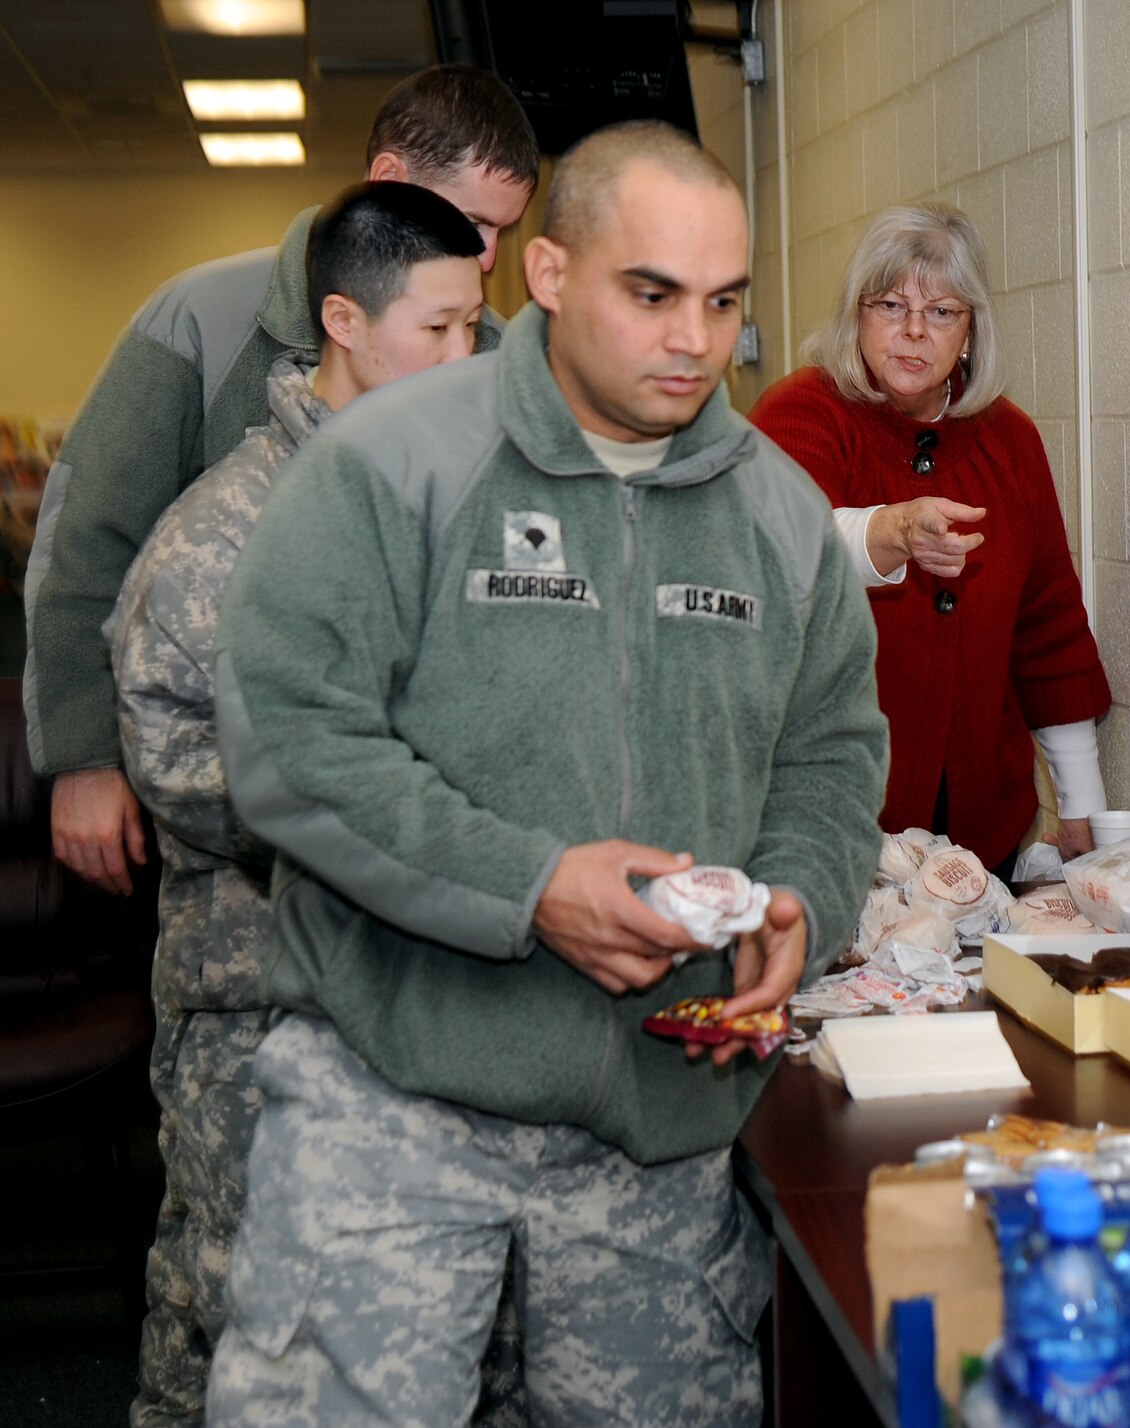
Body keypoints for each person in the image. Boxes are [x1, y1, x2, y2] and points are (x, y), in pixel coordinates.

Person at [204, 121, 887, 1427]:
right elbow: (290, 740)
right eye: (653, 294)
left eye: (724, 302)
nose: (695, 340)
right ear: (552, 274)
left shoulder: (781, 515)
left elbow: (829, 750)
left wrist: (803, 895)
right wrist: (529, 885)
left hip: (653, 1124)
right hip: (391, 1101)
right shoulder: (391, 463)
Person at [105, 183, 488, 1428]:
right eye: (434, 331)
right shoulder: (229, 533)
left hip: (420, 992)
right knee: (233, 1317)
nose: (463, 357)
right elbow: (175, 755)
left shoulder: (450, 497)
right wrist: (398, 812)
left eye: (474, 330)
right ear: (341, 321)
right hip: (257, 1000)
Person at [22, 63, 539, 898]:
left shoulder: (496, 357)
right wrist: (83, 755)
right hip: (228, 821)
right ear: (390, 182)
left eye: (503, 232)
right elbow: (89, 538)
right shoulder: (202, 318)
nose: (487, 256)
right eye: (473, 221)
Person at [749, 202, 1113, 874]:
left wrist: (1081, 803)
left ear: (971, 331)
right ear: (856, 315)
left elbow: (1048, 631)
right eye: (890, 306)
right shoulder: (801, 414)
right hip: (825, 835)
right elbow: (784, 553)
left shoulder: (1012, 443)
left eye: (942, 312)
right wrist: (894, 530)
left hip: (982, 843)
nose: (914, 332)